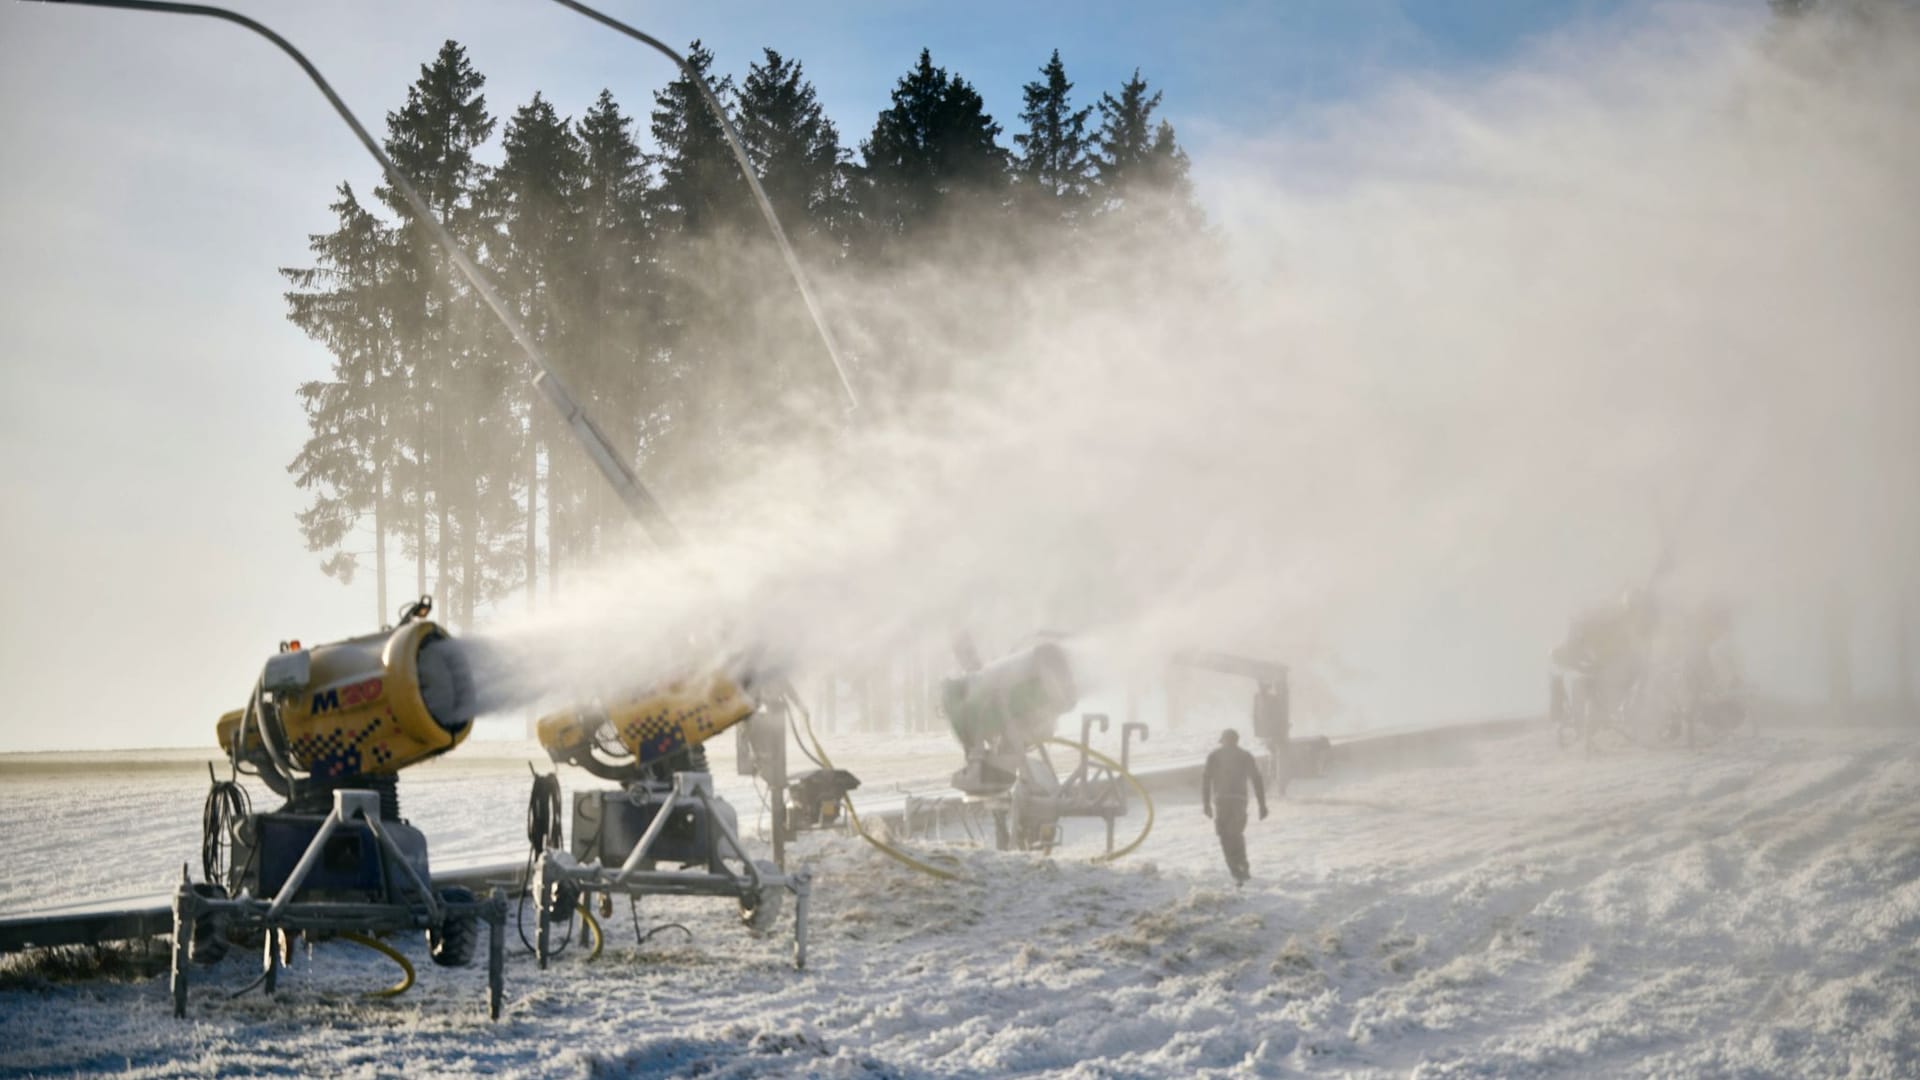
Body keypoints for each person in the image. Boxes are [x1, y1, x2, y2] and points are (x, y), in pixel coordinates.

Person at [1202, 728, 1268, 884]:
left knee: (1225, 836)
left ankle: (1236, 872)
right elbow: (1256, 780)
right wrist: (1262, 805)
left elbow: (1206, 781)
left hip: (1222, 801)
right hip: (1239, 800)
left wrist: (1206, 804)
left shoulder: (1214, 756)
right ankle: (1242, 869)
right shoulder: (1245, 756)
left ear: (1223, 740)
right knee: (1236, 834)